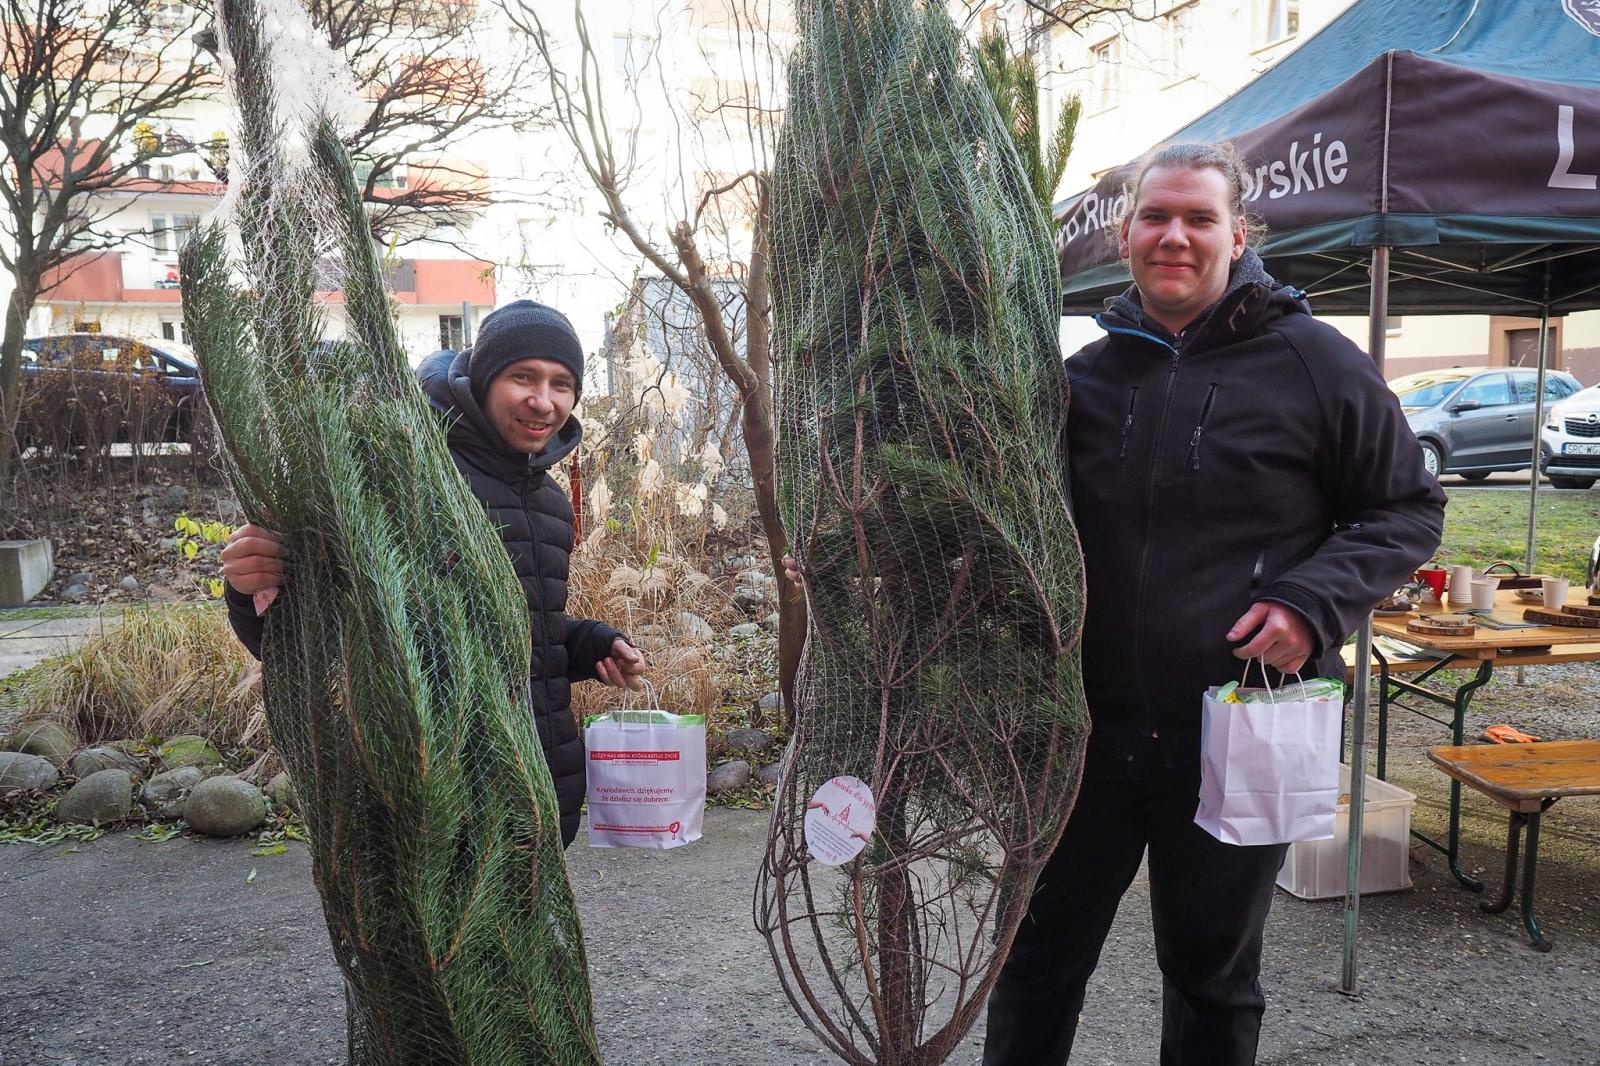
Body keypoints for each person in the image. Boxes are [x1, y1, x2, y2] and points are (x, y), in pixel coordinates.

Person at [978, 142, 1446, 1064]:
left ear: (1239, 233)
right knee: (1035, 960)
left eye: (1199, 218)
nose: (1176, 237)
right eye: (1156, 217)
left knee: (1211, 976)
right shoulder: (1083, 379)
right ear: (1126, 235)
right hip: (1084, 739)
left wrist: (1311, 604)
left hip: (1241, 729)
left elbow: (1405, 507)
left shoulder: (1317, 363)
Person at [221, 299, 645, 848]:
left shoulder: (550, 501)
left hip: (537, 793)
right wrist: (250, 589)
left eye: (562, 384)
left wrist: (595, 645)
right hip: (433, 802)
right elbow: (316, 639)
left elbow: (524, 630)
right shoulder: (406, 474)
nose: (543, 402)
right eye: (523, 377)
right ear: (484, 379)